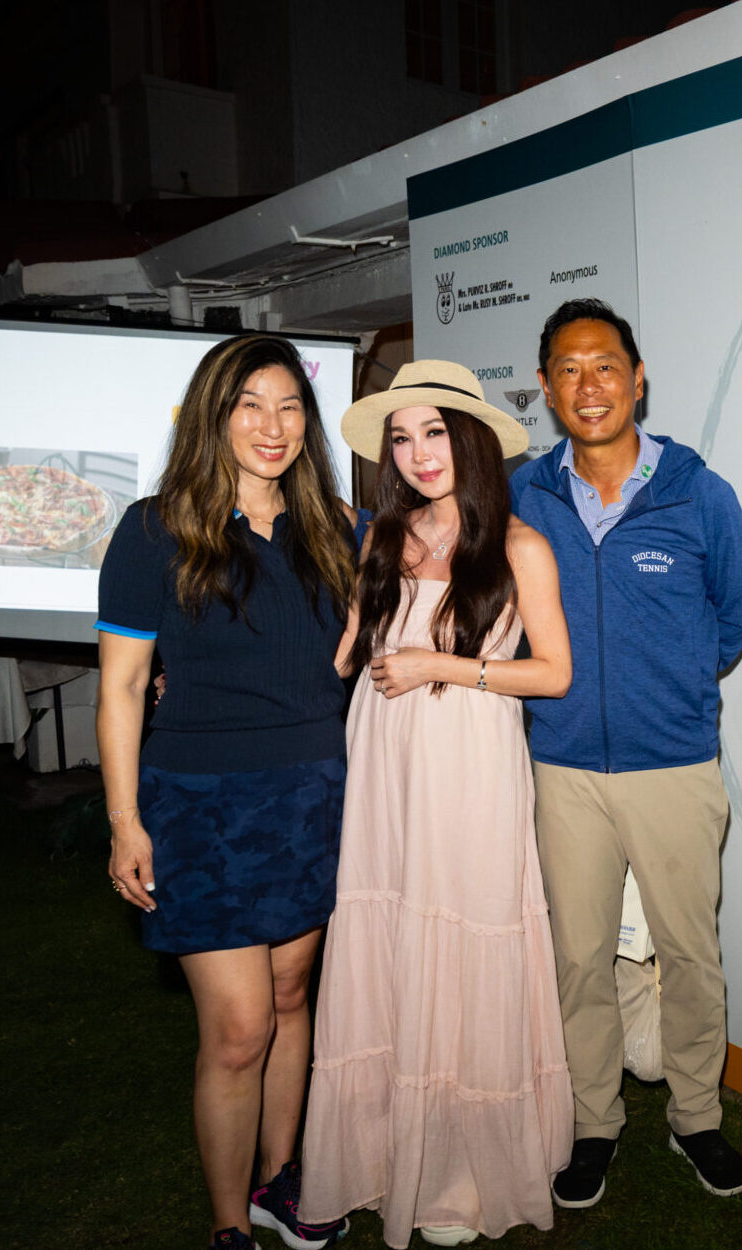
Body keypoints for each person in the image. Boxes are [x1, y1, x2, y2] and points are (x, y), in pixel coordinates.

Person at [298, 361, 574, 1248]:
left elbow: (554, 674)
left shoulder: (521, 547)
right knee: (390, 940)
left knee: (466, 931)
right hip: (386, 761)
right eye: (403, 437)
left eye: (437, 432)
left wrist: (437, 665)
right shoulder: (382, 538)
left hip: (471, 764)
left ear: (475, 441)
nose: (419, 453)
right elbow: (345, 653)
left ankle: (459, 1173)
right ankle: (384, 1155)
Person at [95, 334, 358, 1250]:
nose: (272, 426)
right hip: (202, 808)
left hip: (315, 795)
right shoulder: (153, 530)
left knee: (290, 995)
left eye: (289, 407)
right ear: (214, 415)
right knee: (240, 1027)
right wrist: (124, 821)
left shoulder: (336, 529)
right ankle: (227, 1222)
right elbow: (124, 687)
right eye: (250, 405)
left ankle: (281, 1180)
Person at [508, 299, 742, 1207]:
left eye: (606, 366)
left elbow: (739, 612)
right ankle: (594, 1123)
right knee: (579, 957)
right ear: (546, 389)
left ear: (638, 378)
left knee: (690, 955)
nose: (590, 386)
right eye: (569, 370)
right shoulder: (524, 495)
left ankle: (697, 1117)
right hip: (564, 766)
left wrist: (676, 684)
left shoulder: (699, 494)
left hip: (674, 768)